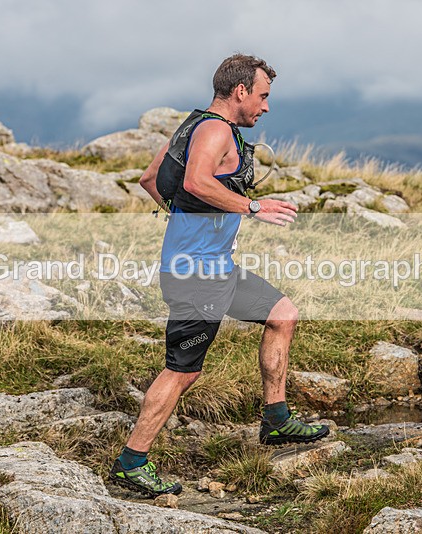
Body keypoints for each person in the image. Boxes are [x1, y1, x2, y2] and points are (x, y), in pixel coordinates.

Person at [109, 54, 329, 497]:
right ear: (240, 91)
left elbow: (150, 178)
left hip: (217, 268)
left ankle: (276, 419)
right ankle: (131, 462)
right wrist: (252, 206)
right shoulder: (215, 130)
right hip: (197, 275)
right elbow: (194, 181)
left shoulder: (192, 125)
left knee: (282, 314)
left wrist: (189, 219)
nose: (265, 107)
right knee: (182, 371)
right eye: (262, 96)